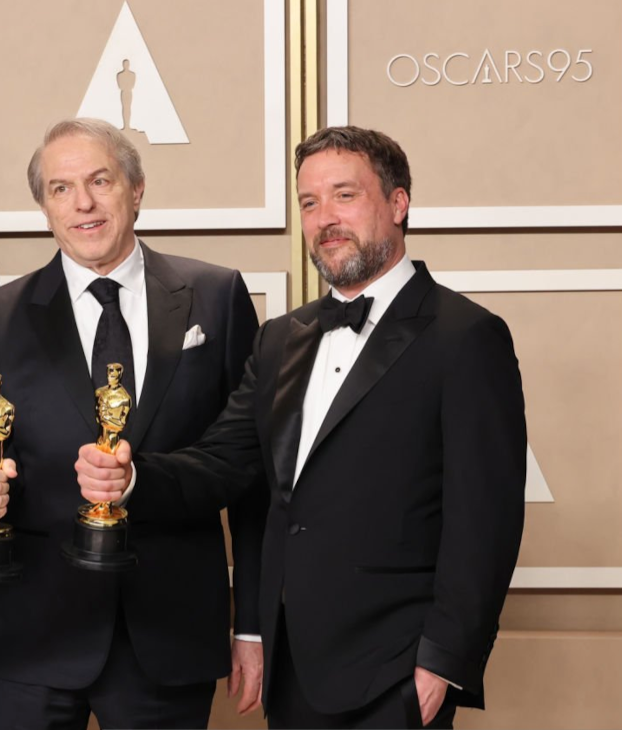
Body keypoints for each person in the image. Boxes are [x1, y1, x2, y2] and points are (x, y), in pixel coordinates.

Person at [76, 126, 526, 729]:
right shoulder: (282, 338)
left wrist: (444, 663)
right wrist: (132, 477)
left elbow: (486, 522)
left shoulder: (466, 337)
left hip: (396, 669)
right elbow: (225, 464)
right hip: (294, 670)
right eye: (309, 203)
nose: (325, 219)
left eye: (344, 196)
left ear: (398, 203)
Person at [0, 118, 266, 729]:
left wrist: (250, 623)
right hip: (33, 636)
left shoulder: (217, 297)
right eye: (61, 188)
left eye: (100, 181)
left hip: (169, 632)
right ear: (44, 206)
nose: (84, 204)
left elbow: (252, 474)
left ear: (137, 188)